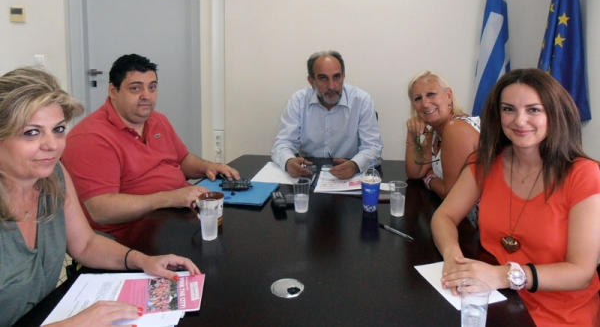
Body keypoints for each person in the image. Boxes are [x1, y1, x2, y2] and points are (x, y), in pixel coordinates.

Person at [0, 67, 200, 327]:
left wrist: (144, 261)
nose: (52, 145)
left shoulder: (53, 175)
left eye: (58, 129)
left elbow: (85, 244)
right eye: (32, 132)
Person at [431, 69, 600, 327]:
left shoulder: (583, 173)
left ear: (554, 113)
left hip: (560, 313)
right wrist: (453, 258)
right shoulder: (486, 161)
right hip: (498, 301)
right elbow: (444, 216)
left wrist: (504, 276)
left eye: (533, 110)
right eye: (509, 109)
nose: (520, 120)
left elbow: (581, 272)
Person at [61, 54, 239, 242]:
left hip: (177, 217)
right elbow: (101, 210)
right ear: (113, 91)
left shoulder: (157, 120)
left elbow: (182, 159)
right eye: (135, 88)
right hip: (131, 235)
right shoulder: (90, 137)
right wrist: (169, 198)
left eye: (152, 87)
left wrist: (208, 167)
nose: (146, 96)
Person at [271, 50, 383, 179]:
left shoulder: (362, 101)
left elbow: (373, 147)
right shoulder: (298, 101)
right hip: (308, 172)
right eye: (323, 78)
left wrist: (355, 165)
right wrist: (288, 161)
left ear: (343, 76)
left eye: (337, 77)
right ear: (311, 81)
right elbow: (282, 143)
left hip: (349, 175)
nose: (332, 86)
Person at [405, 70, 480, 199]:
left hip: (481, 211)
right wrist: (412, 134)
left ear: (448, 96)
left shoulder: (456, 128)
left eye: (431, 94)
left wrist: (429, 177)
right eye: (418, 98)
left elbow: (452, 196)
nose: (425, 104)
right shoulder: (436, 130)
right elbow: (415, 173)